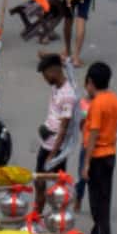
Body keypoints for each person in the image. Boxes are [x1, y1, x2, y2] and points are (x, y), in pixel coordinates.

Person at [80, 62, 117, 234]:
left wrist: (86, 163)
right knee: (105, 198)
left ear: (90, 82)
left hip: (97, 155)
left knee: (97, 202)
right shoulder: (114, 100)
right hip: (110, 153)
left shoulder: (96, 104)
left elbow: (93, 133)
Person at [34, 53, 77, 212]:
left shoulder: (68, 96)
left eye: (45, 75)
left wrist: (53, 155)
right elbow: (67, 66)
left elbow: (64, 129)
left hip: (56, 149)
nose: (45, 79)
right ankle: (37, 216)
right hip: (46, 144)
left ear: (53, 72)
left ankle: (59, 219)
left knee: (59, 187)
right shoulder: (55, 86)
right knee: (38, 181)